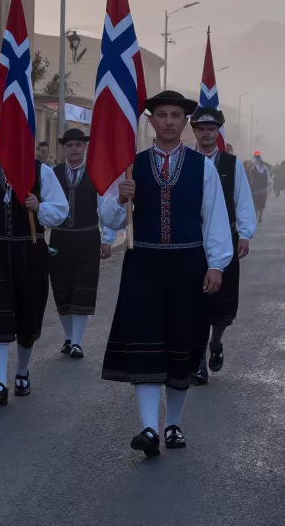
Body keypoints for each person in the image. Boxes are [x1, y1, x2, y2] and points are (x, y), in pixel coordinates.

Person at [99, 91, 232, 456]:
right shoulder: (131, 165)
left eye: (176, 115)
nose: (169, 121)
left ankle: (172, 424)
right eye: (162, 114)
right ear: (151, 121)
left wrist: (216, 264)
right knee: (145, 342)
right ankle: (148, 428)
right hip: (143, 263)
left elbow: (215, 218)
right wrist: (121, 199)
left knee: (181, 345)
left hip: (189, 265)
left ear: (185, 121)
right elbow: (109, 220)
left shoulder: (202, 167)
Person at [0, 151, 68, 406]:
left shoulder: (41, 172)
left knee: (28, 314)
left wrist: (39, 206)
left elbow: (61, 211)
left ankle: (22, 372)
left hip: (30, 251)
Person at [189, 106, 256, 382]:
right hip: (192, 242)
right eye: (201, 128)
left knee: (223, 304)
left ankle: (215, 342)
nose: (206, 133)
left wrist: (245, 234)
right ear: (193, 131)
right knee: (195, 303)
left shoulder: (232, 164)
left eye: (211, 129)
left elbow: (243, 200)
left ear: (218, 132)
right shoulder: (186, 161)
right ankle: (198, 362)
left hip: (225, 240)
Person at [49, 128, 112, 359]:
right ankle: (68, 337)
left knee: (82, 290)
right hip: (59, 238)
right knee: (61, 288)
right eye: (69, 145)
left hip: (87, 237)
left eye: (78, 144)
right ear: (63, 149)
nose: (74, 149)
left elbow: (106, 208)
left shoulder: (96, 173)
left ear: (85, 148)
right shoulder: (52, 174)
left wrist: (107, 239)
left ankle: (77, 342)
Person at [248, 152, 271, 222]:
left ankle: (257, 215)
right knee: (261, 204)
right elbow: (268, 178)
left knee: (257, 204)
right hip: (262, 189)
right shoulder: (264, 167)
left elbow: (250, 178)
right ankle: (259, 215)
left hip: (257, 188)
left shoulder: (253, 168)